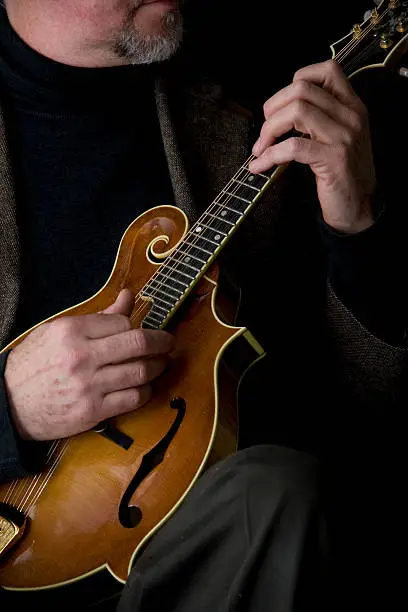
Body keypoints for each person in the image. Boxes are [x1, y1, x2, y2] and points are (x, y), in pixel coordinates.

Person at [1, 0, 407, 610]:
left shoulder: (231, 126)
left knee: (276, 492)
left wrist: (355, 226)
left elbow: (359, 405)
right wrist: (9, 409)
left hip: (202, 569)